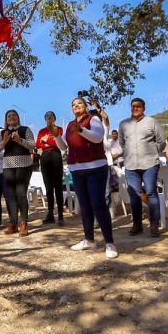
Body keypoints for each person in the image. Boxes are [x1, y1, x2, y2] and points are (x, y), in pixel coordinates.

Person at [54, 97, 118, 259]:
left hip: (95, 167)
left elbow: (97, 137)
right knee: (84, 205)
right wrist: (57, 137)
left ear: (85, 106)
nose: (76, 106)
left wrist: (81, 130)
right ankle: (89, 239)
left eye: (79, 104)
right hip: (76, 169)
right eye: (73, 105)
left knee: (98, 203)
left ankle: (109, 242)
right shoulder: (69, 125)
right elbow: (64, 147)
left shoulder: (93, 119)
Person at [118, 98, 165, 237]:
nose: (135, 108)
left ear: (144, 108)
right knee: (134, 195)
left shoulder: (152, 122)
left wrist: (152, 151)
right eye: (133, 106)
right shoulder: (123, 124)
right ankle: (137, 225)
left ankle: (154, 225)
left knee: (151, 193)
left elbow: (161, 141)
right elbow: (121, 143)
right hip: (131, 166)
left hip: (150, 164)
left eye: (138, 106)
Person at [0, 110, 36, 236]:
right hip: (8, 166)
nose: (11, 117)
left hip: (24, 165)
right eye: (9, 116)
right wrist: (5, 141)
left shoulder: (25, 129)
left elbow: (33, 146)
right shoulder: (2, 132)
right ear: (6, 120)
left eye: (14, 115)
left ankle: (24, 223)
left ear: (18, 118)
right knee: (11, 194)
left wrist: (20, 140)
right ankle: (13, 223)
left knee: (21, 193)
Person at [35, 111, 65, 225]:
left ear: (54, 118)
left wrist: (46, 141)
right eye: (47, 117)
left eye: (51, 117)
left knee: (58, 186)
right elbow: (38, 144)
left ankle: (61, 214)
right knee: (48, 186)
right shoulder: (41, 131)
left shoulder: (59, 129)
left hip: (56, 155)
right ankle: (50, 213)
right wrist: (47, 142)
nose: (49, 118)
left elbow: (58, 143)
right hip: (45, 157)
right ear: (45, 119)